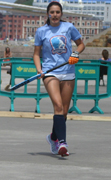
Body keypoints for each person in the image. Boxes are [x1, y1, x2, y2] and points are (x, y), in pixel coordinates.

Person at [34, 1, 84, 157]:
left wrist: (75, 54)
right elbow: (36, 54)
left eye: (57, 12)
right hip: (50, 72)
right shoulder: (41, 31)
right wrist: (39, 69)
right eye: (52, 12)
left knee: (63, 112)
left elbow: (81, 44)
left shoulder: (68, 27)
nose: (55, 15)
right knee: (57, 105)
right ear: (47, 14)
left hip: (68, 71)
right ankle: (62, 143)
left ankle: (53, 137)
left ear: (61, 14)